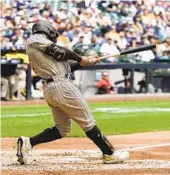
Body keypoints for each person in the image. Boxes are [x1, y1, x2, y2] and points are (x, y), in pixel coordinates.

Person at [16, 20, 129, 165]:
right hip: (61, 86)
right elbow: (59, 52)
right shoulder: (37, 39)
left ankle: (28, 142)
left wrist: (85, 63)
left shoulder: (40, 48)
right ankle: (109, 153)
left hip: (52, 88)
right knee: (88, 122)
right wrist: (80, 58)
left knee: (62, 129)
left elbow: (65, 66)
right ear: (47, 30)